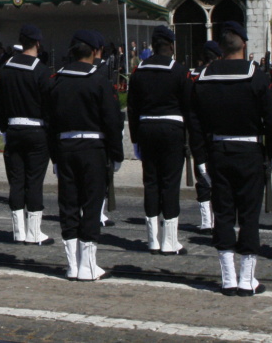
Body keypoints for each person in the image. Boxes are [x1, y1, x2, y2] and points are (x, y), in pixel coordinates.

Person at [191, 21, 272, 296]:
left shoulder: (204, 76)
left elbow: (194, 123)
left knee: (224, 214)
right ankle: (246, 280)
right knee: (249, 214)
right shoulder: (256, 75)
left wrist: (200, 157)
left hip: (218, 151)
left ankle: (228, 278)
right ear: (243, 44)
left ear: (220, 47)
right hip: (249, 151)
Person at [49, 29, 124, 280]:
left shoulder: (57, 80)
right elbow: (112, 121)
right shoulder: (99, 80)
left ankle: (72, 265)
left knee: (69, 205)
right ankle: (88, 266)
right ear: (94, 52)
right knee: (91, 205)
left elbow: (50, 122)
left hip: (65, 148)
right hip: (93, 148)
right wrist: (117, 154)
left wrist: (55, 156)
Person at [128, 25, 194, 255]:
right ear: (171, 46)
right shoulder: (180, 71)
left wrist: (135, 138)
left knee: (151, 183)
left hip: (146, 129)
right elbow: (188, 108)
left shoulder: (139, 71)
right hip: (172, 129)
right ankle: (170, 241)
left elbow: (132, 109)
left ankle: (152, 240)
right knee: (170, 184)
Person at [0, 24, 54, 246]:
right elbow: (50, 104)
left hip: (14, 130)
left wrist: (2, 125)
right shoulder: (42, 70)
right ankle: (34, 232)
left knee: (16, 181)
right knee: (34, 181)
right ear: (37, 43)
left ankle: (18, 231)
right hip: (37, 130)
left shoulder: (6, 68)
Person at [188, 40, 223, 233]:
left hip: (197, 131)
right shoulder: (218, 75)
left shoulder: (193, 75)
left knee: (201, 174)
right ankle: (217, 219)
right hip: (216, 131)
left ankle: (205, 220)